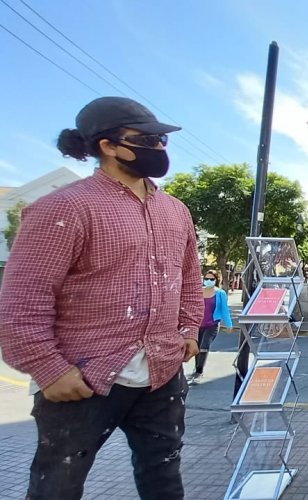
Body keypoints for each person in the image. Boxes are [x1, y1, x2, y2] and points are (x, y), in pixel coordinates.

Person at [0, 96, 203, 500]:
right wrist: (48, 368)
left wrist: (189, 330)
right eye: (146, 139)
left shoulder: (175, 210)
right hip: (84, 378)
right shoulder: (62, 208)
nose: (159, 147)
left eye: (162, 139)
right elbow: (22, 302)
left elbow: (190, 279)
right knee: (57, 486)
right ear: (107, 146)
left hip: (161, 373)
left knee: (164, 480)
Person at [189, 269, 234, 384]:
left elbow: (224, 310)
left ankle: (199, 371)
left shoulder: (220, 293)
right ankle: (197, 368)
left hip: (212, 325)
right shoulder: (198, 291)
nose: (208, 281)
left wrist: (229, 324)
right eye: (206, 279)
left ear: (216, 280)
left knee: (204, 345)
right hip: (198, 324)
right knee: (197, 347)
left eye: (211, 279)